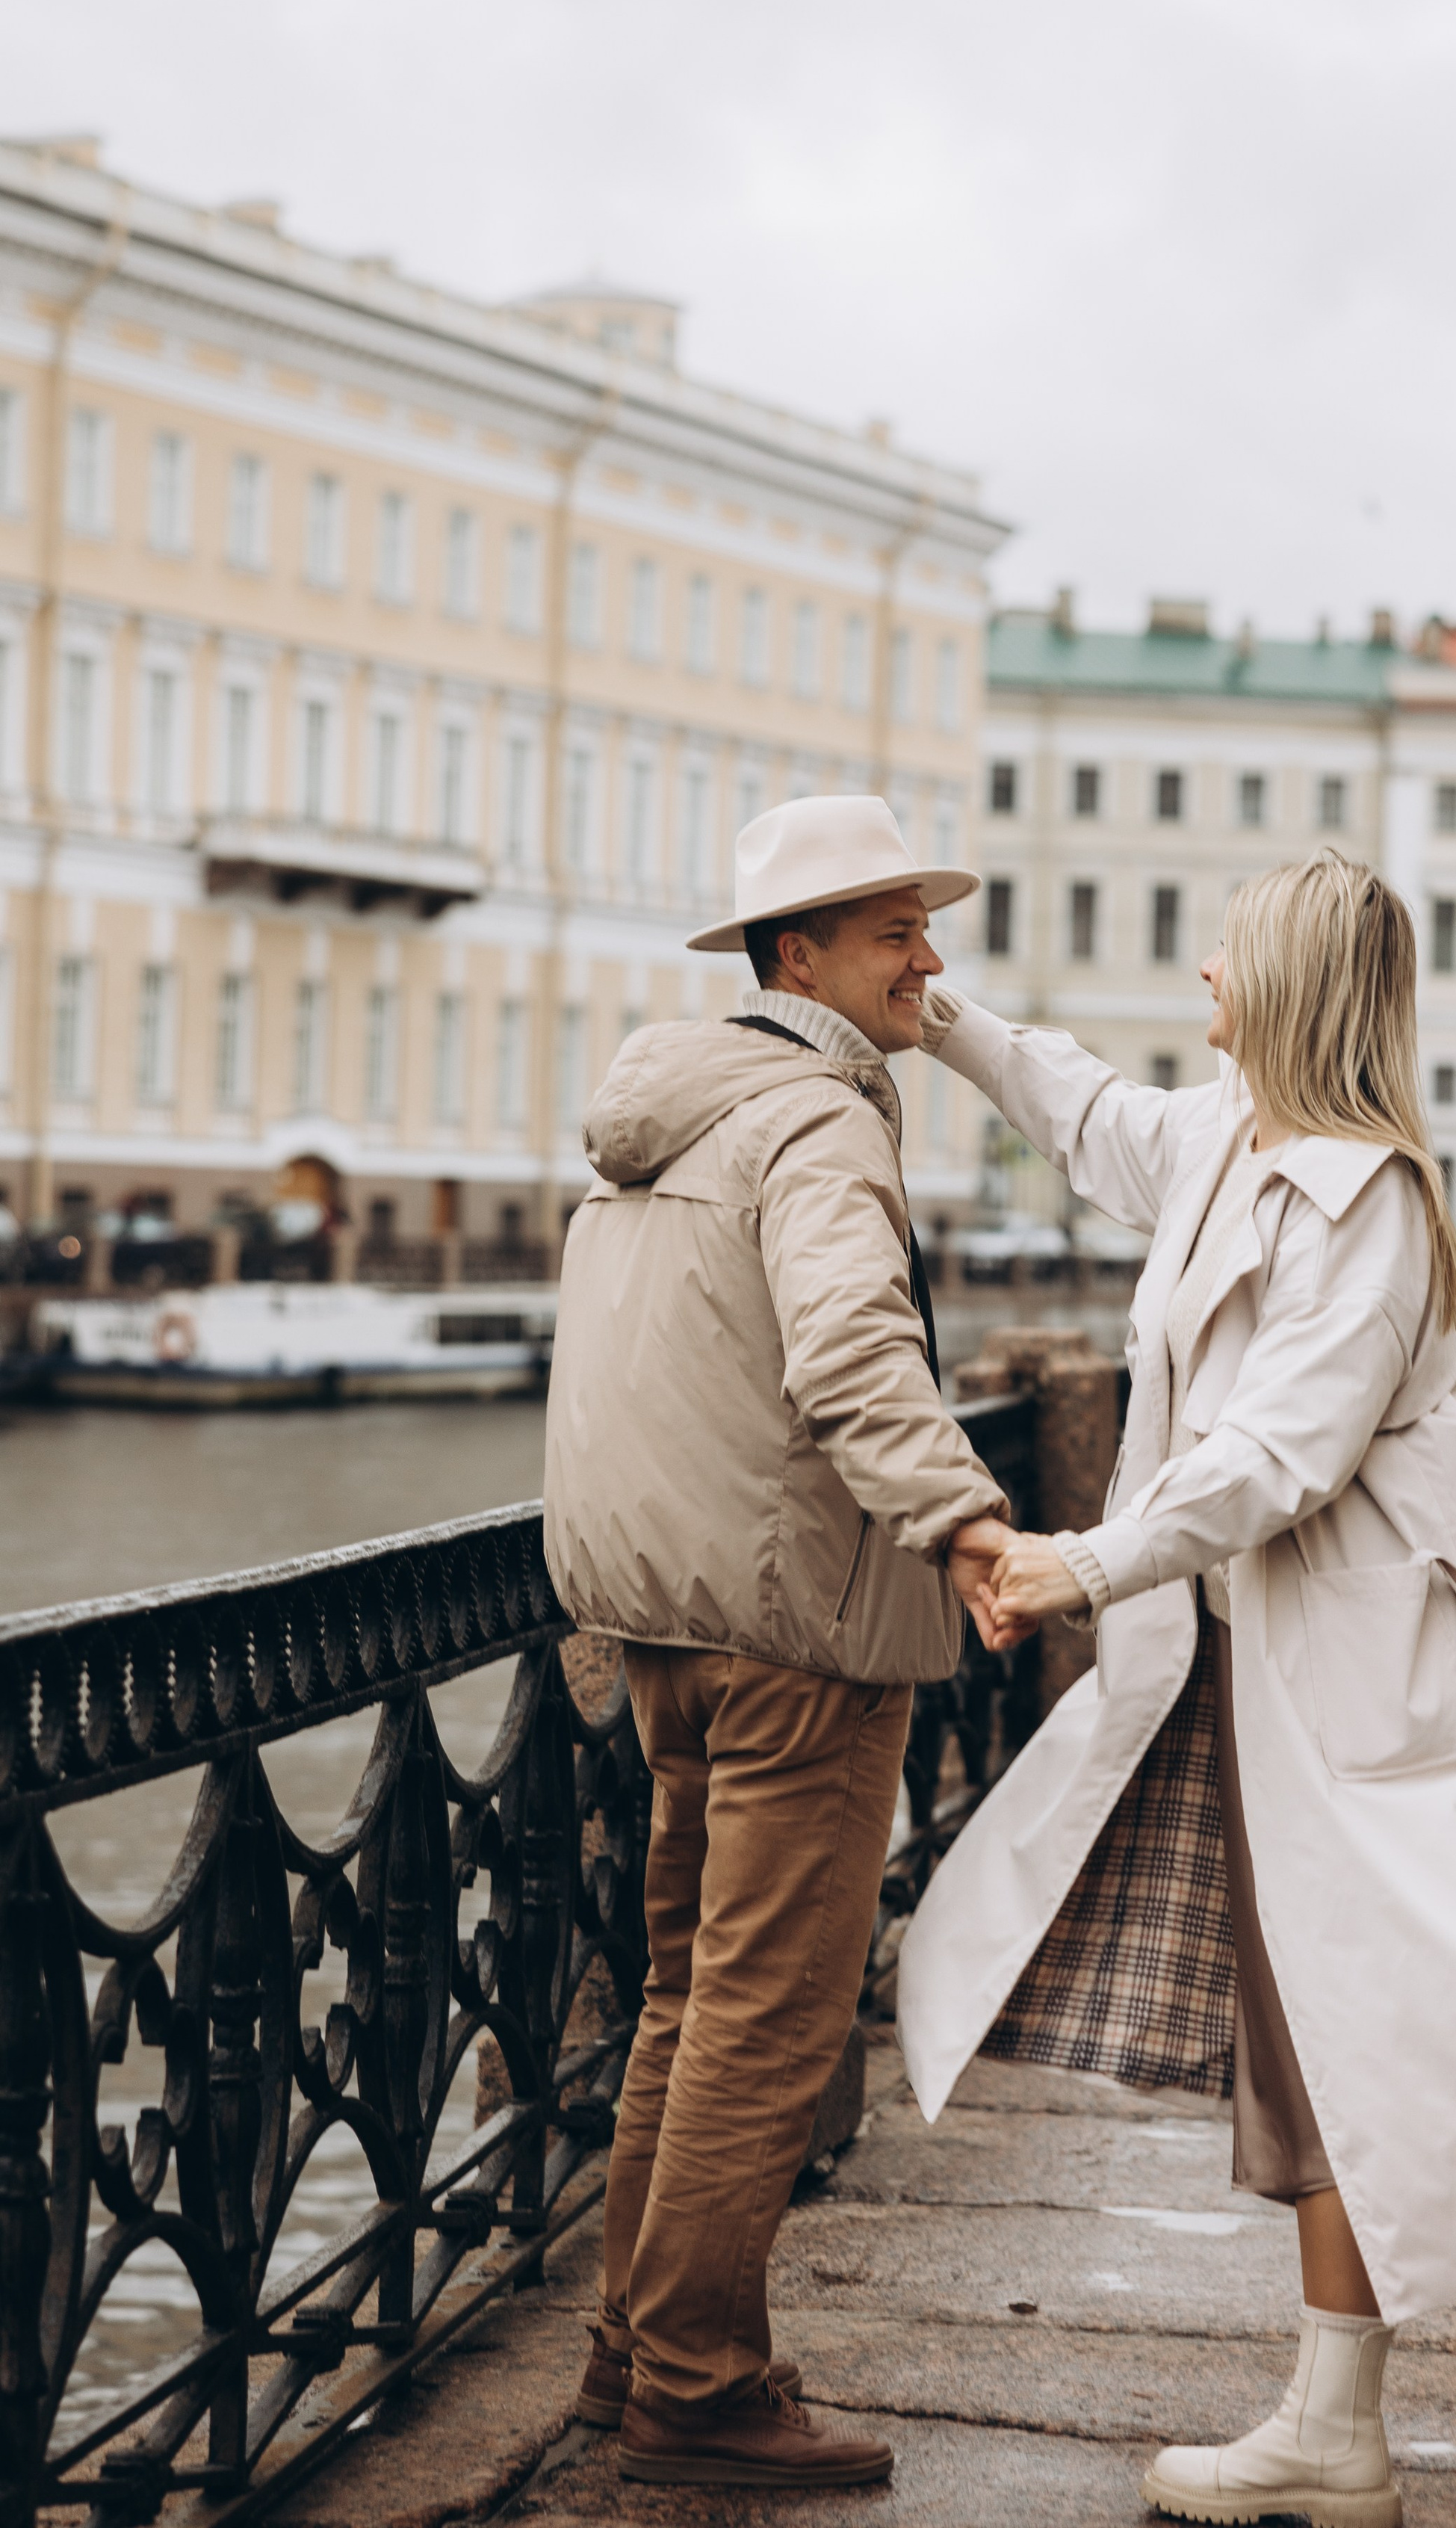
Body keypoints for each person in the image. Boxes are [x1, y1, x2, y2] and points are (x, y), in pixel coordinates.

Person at [896, 850, 1456, 2528]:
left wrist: (1079, 1562)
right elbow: (1085, 1105)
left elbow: (1282, 1453)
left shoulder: (1368, 1200)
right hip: (1269, 1678)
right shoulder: (1222, 1141)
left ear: (1293, 987)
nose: (1199, 974)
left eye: (1228, 953)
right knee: (1321, 2044)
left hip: (1363, 1686)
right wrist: (937, 1010)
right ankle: (1333, 2430)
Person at [545, 794, 1014, 2493]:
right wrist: (967, 1520)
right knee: (765, 2018)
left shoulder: (669, 1121)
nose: (928, 961)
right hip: (800, 1635)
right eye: (897, 932)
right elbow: (850, 1357)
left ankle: (630, 2347)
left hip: (665, 1626)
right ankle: (700, 2381)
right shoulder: (814, 1121)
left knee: (685, 1998)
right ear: (796, 956)